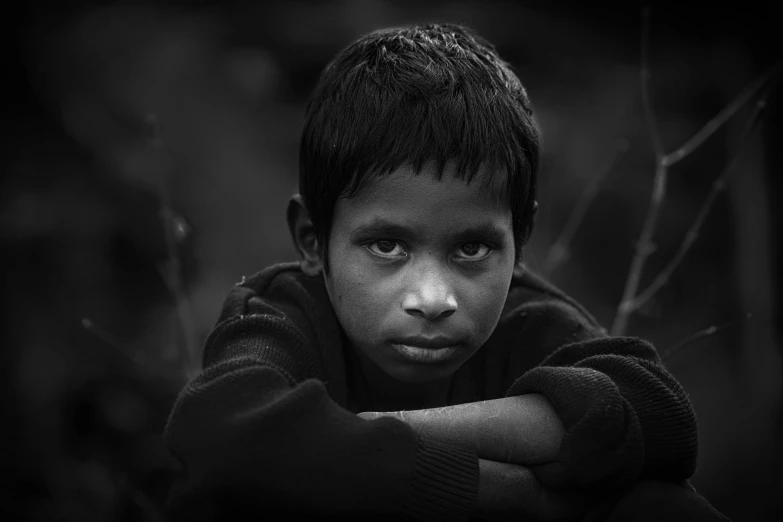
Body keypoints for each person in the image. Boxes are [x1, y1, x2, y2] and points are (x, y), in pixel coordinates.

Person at [162, 23, 729, 521]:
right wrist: (507, 492)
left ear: (519, 241)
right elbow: (220, 431)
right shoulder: (283, 316)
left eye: (473, 249)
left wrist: (368, 434)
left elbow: (658, 415)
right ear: (312, 239)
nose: (433, 299)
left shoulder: (529, 322)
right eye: (387, 246)